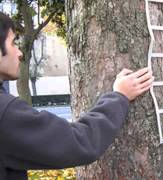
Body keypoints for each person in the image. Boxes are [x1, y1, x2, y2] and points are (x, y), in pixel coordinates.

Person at [0, 12, 154, 179]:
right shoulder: (4, 113)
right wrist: (119, 96)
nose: (20, 53)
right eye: (13, 43)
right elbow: (80, 142)